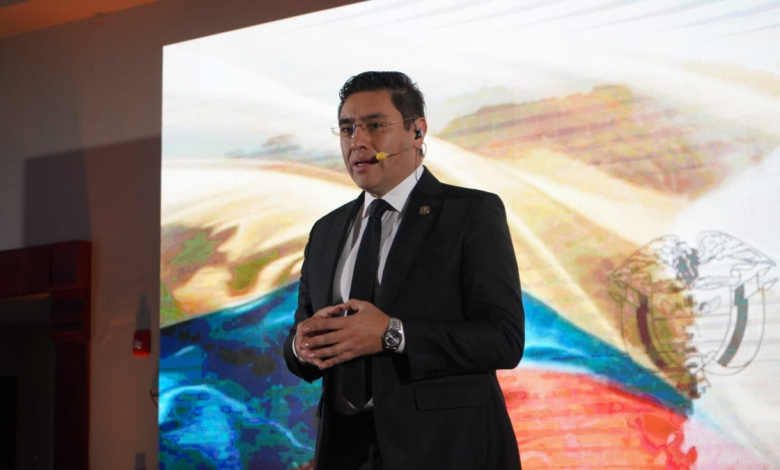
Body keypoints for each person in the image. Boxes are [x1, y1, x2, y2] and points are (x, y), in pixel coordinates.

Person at [284, 71, 524, 470]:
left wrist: (392, 334)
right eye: (347, 128)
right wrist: (301, 346)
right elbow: (301, 338)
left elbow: (503, 340)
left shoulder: (470, 213)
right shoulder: (326, 231)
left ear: (417, 131)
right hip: (345, 452)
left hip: (446, 451)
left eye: (375, 125)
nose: (358, 141)